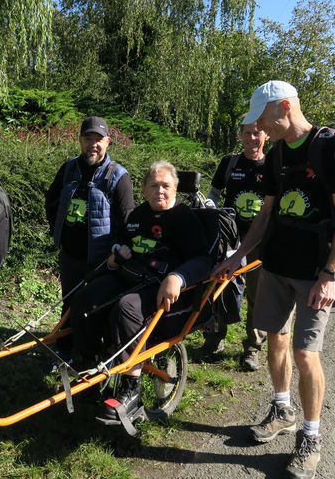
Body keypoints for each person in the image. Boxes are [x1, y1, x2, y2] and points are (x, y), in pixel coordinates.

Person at [212, 80, 335, 479]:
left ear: (282, 108)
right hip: (276, 265)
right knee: (275, 337)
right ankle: (282, 409)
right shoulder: (277, 154)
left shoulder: (332, 148)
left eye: (261, 118)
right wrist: (239, 255)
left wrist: (330, 275)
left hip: (315, 272)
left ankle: (310, 437)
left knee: (305, 353)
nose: (258, 128)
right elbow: (267, 214)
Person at [68, 161, 212, 418]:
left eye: (166, 186)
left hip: (162, 286)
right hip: (129, 275)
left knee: (126, 308)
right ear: (144, 189)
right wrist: (115, 256)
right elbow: (121, 242)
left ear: (176, 189)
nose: (160, 191)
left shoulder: (185, 218)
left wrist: (177, 277)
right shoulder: (137, 216)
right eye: (154, 185)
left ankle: (130, 387)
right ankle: (88, 365)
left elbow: (203, 259)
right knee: (85, 298)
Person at [45, 116, 135, 355]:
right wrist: (59, 232)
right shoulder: (68, 169)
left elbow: (128, 221)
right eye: (88, 139)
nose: (93, 144)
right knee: (68, 303)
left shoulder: (118, 176)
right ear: (80, 141)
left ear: (108, 142)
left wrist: (117, 253)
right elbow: (51, 200)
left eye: (98, 139)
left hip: (100, 260)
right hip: (70, 256)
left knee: (93, 308)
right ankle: (65, 348)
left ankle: (93, 355)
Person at [205, 121, 269, 371]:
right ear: (239, 135)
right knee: (219, 290)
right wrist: (211, 208)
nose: (252, 138)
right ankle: (214, 339)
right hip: (228, 240)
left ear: (266, 136)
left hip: (259, 242)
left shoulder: (273, 166)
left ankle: (252, 348)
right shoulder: (230, 163)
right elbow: (214, 193)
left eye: (257, 133)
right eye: (247, 133)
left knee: (256, 295)